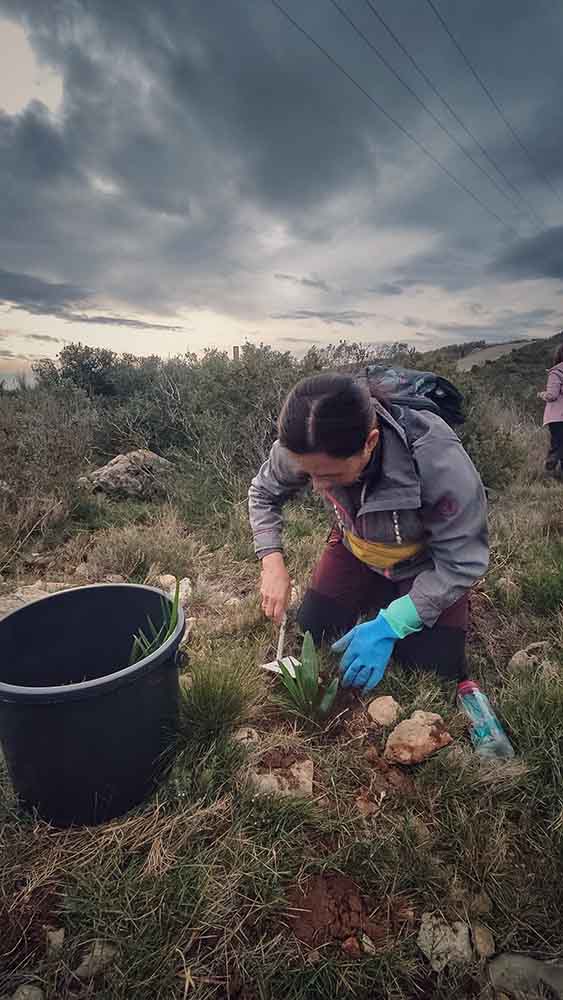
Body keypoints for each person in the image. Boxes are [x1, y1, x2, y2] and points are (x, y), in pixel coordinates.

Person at [248, 372, 488, 691]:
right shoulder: (302, 445)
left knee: (433, 669)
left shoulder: (436, 458)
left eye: (331, 474)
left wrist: (391, 624)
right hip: (355, 547)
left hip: (424, 562)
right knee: (314, 632)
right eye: (309, 474)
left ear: (370, 442)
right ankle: (384, 592)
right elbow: (263, 493)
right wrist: (272, 563)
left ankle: (401, 599)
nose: (317, 487)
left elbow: (462, 562)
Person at [538, 342, 563, 478]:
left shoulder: (556, 371)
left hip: (557, 416)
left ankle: (549, 470)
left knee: (557, 444)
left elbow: (552, 395)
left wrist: (542, 394)